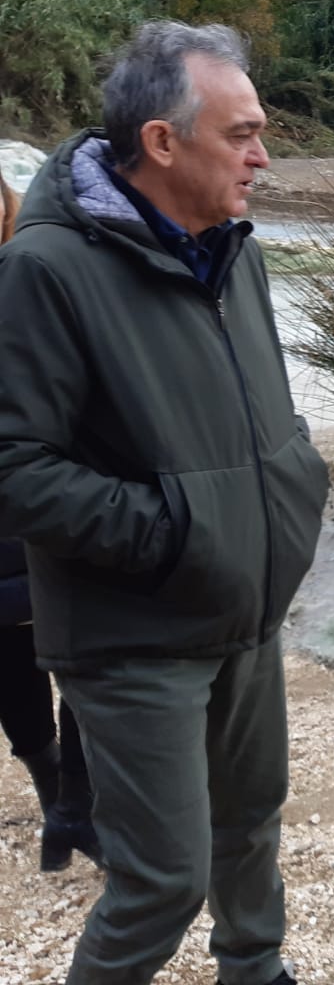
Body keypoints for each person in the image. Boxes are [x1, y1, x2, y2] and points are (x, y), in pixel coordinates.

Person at [0, 22, 329, 985]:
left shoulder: (235, 250)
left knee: (250, 826)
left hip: (244, 611)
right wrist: (178, 534)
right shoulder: (46, 270)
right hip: (133, 632)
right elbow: (14, 464)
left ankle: (256, 972)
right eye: (242, 134)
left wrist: (291, 489)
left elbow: (270, 410)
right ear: (161, 141)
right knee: (160, 882)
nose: (261, 156)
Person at [0, 171, 102, 874]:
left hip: (43, 517)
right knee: (29, 669)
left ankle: (72, 806)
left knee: (80, 664)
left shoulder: (32, 279)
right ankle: (61, 801)